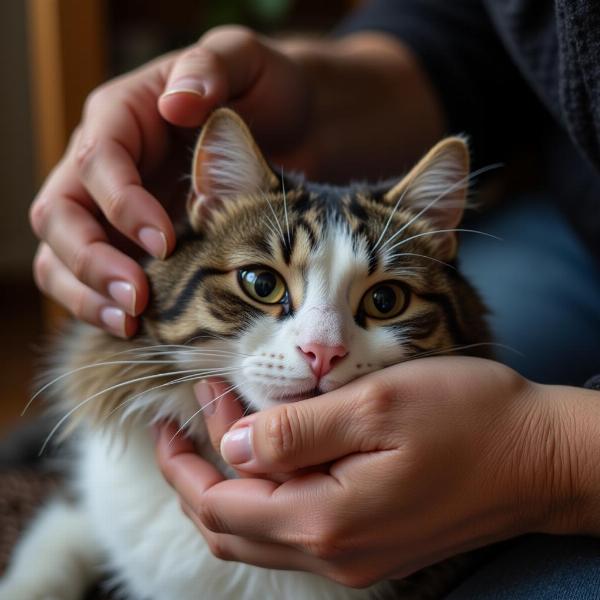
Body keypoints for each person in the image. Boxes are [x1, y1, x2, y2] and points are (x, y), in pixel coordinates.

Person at [29, 1, 600, 597]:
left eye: (382, 302)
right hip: (573, 217)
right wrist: (318, 96)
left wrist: (545, 459)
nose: (321, 347)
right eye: (263, 283)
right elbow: (471, 22)